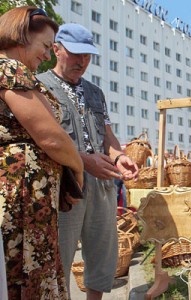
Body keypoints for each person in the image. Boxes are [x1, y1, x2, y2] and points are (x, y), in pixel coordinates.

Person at [37, 23, 138, 299]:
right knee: (59, 259)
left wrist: (120, 157)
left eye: (87, 55)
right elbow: (43, 139)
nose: (82, 61)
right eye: (75, 54)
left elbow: (107, 136)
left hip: (101, 185)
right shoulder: (40, 86)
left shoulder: (96, 92)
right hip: (64, 186)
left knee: (102, 255)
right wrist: (82, 161)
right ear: (56, 50)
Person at [0, 7, 84, 299]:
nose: (48, 56)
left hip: (29, 197)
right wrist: (78, 167)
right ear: (22, 35)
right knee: (26, 271)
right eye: (46, 46)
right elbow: (48, 136)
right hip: (23, 198)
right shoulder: (10, 68)